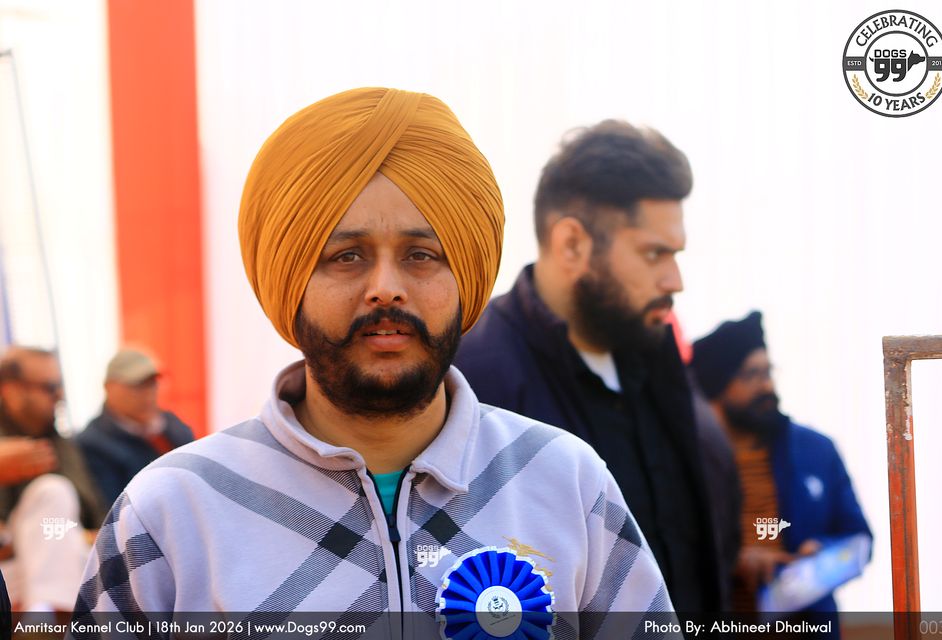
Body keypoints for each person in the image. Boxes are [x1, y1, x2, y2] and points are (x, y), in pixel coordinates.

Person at [72, 88, 675, 638]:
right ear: (290, 281)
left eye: (421, 254)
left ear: (464, 276)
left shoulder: (566, 483)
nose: (386, 288)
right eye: (347, 256)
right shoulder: (173, 512)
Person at [455, 120, 725, 612]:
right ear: (572, 244)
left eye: (675, 255)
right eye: (654, 253)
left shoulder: (656, 359)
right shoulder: (474, 379)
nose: (675, 280)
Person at [690, 311, 871, 628]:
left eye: (769, 371)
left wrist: (822, 553)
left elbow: (858, 538)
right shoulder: (689, 459)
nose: (767, 386)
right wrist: (735, 561)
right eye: (751, 375)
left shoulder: (815, 450)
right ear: (716, 386)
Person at [0, 347, 105, 612]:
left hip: (66, 559)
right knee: (52, 491)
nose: (59, 396)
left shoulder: (62, 444)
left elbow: (96, 518)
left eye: (60, 386)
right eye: (49, 387)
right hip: (12, 567)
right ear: (11, 391)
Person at [77, 348, 194, 505]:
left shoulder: (170, 423)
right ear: (109, 387)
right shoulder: (92, 443)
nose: (148, 393)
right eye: (138, 385)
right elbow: (117, 507)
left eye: (152, 383)